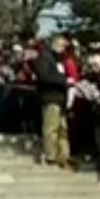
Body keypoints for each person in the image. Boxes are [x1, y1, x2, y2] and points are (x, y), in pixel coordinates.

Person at [36, 34, 72, 168]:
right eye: (62, 45)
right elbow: (45, 76)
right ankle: (50, 155)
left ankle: (64, 155)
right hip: (51, 97)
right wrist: (64, 80)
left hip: (61, 98)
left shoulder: (59, 60)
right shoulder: (44, 58)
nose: (64, 49)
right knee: (51, 128)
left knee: (62, 129)